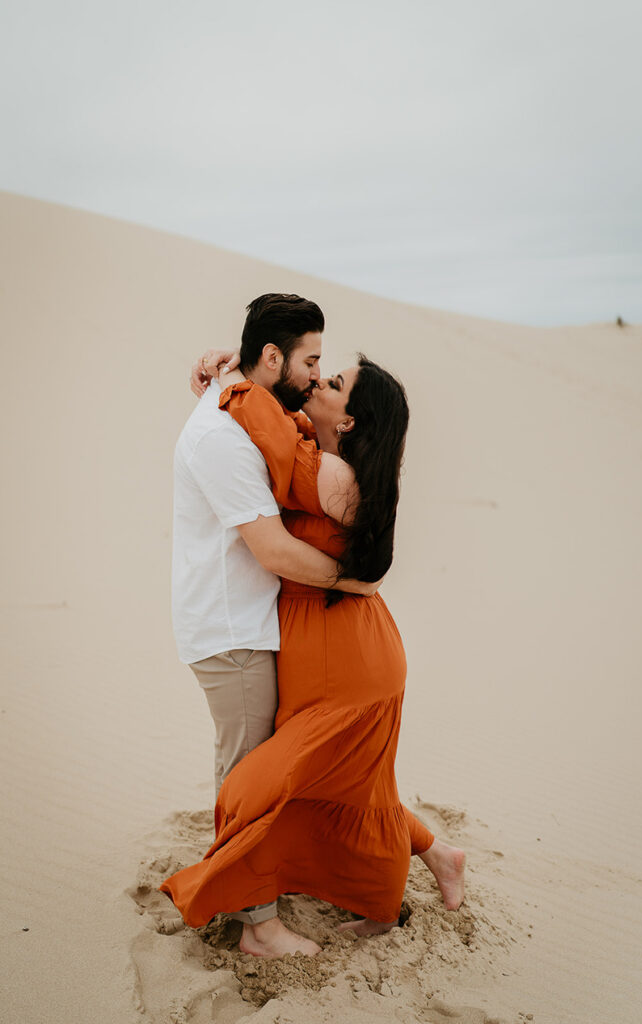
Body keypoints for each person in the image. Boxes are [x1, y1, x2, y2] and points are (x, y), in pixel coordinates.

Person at [162, 345, 466, 955]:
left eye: (331, 381)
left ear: (348, 421)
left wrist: (239, 383)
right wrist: (240, 368)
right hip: (325, 647)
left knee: (265, 784)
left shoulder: (334, 477)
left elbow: (271, 435)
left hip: (348, 663)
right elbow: (285, 426)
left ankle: (264, 914)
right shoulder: (323, 450)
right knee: (348, 789)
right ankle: (439, 857)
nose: (317, 384)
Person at [172, 293, 380, 956]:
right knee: (246, 774)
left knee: (264, 769)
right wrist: (354, 584)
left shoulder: (245, 406)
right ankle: (257, 926)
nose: (317, 376)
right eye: (310, 361)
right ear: (272, 357)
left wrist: (227, 363)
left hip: (250, 622)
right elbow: (272, 551)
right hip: (231, 629)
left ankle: (264, 891)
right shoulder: (224, 437)